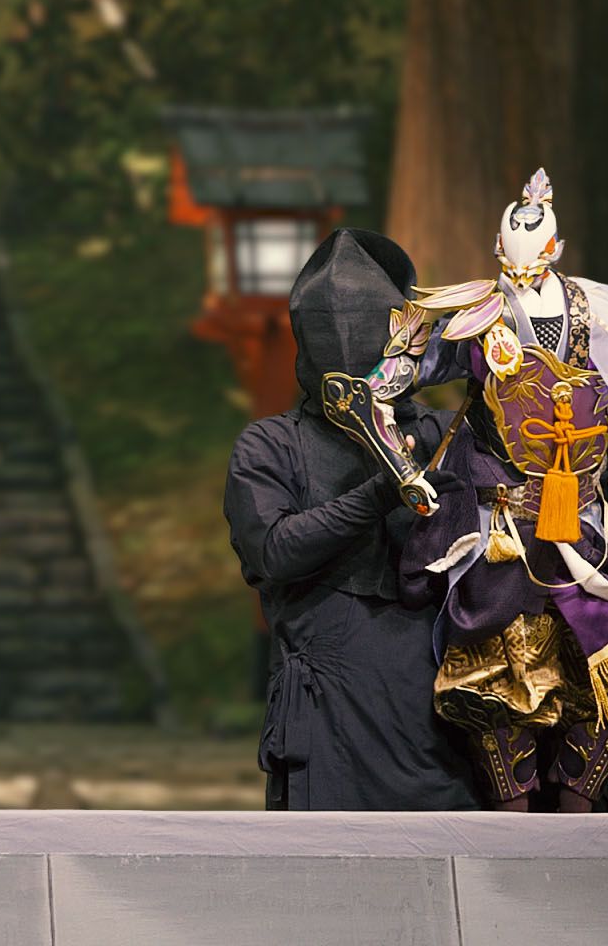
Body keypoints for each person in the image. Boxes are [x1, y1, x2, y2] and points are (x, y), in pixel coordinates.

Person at [327, 168, 608, 812]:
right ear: (497, 247)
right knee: (498, 674)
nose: (522, 269)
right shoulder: (474, 314)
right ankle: (514, 811)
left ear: (557, 249)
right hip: (501, 528)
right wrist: (398, 455)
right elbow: (384, 384)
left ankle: (578, 804)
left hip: (586, 517)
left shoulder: (604, 317)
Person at [225, 228, 479, 811]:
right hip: (326, 716)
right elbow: (274, 551)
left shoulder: (444, 435)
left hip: (441, 709)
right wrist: (380, 493)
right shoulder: (271, 446)